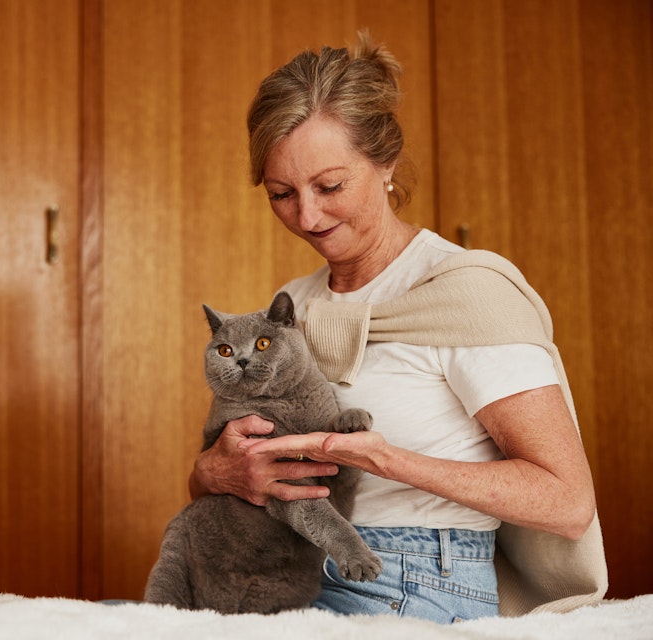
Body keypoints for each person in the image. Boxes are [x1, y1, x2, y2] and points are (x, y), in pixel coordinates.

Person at [187, 32, 607, 623]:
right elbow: (219, 479)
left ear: (385, 163)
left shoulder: (464, 295)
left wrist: (387, 460)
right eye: (283, 194)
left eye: (330, 187)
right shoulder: (292, 310)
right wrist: (215, 471)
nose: (307, 216)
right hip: (287, 565)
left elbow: (567, 503)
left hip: (412, 580)